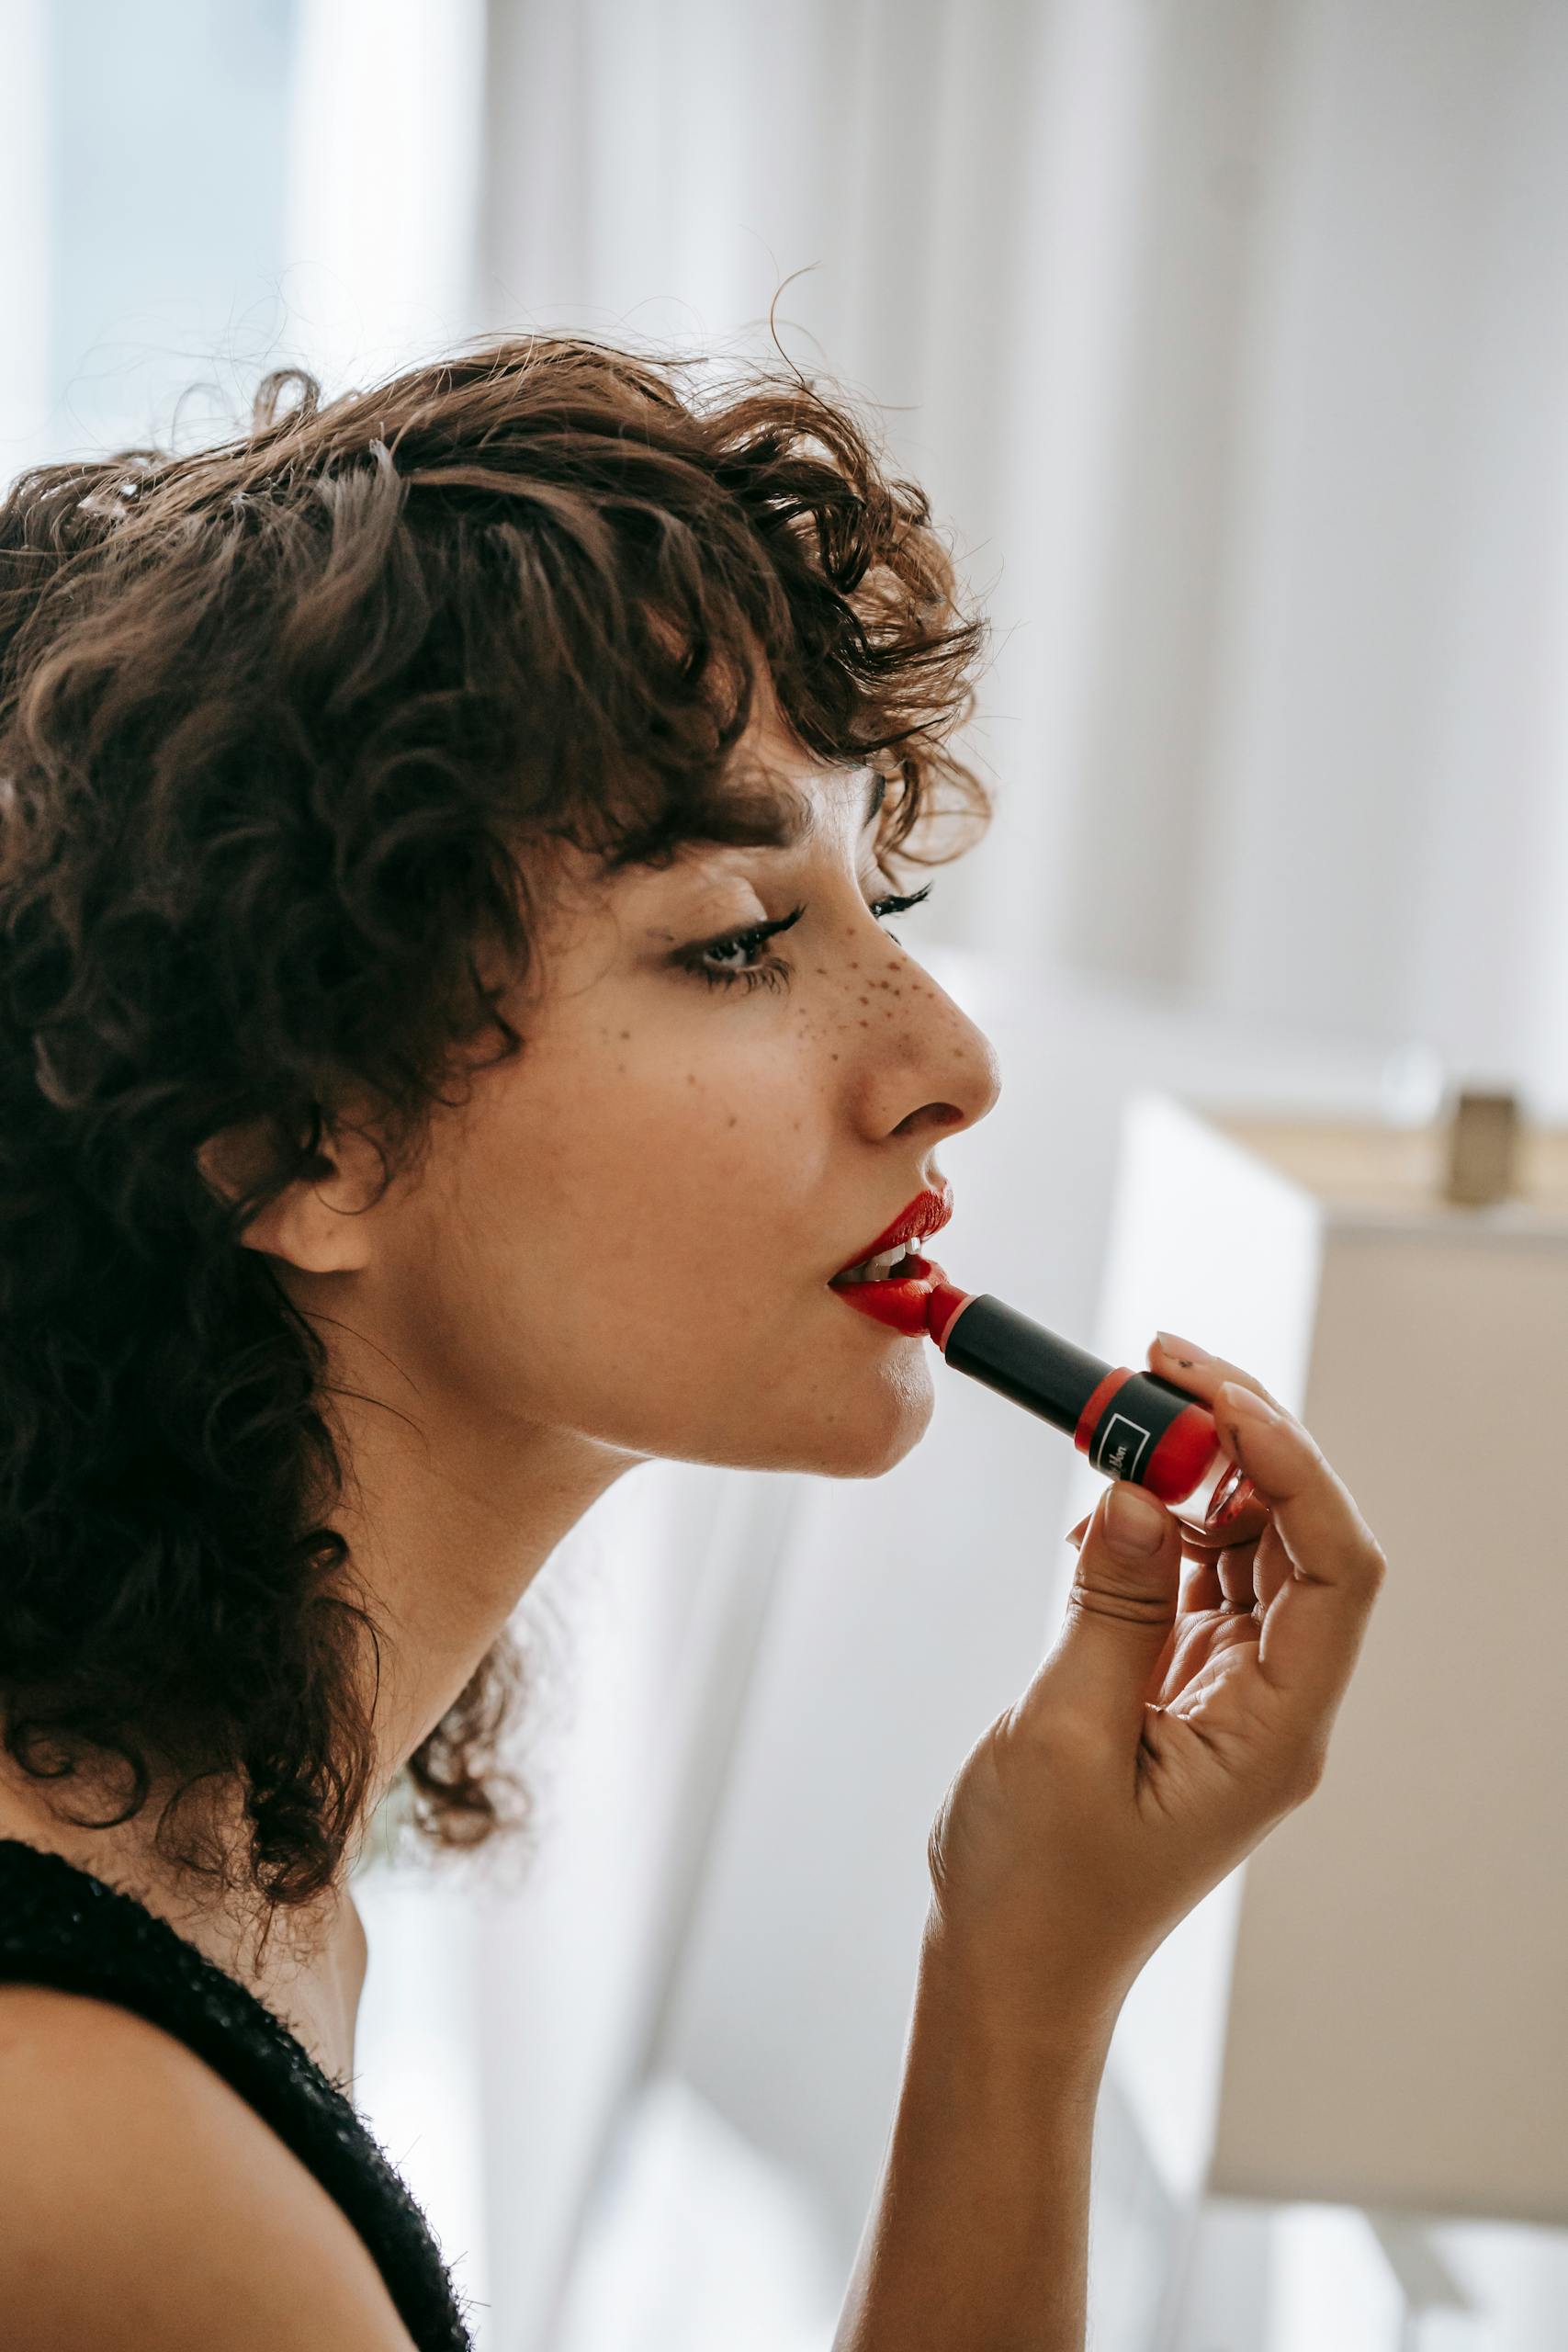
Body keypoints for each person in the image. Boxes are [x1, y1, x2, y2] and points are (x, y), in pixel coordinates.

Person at [0, 334, 1386, 2351]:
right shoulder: (107, 2150)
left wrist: (1020, 1974)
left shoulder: (219, 1881)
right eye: (736, 937)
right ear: (290, 1140)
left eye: (880, 891)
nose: (947, 1063)